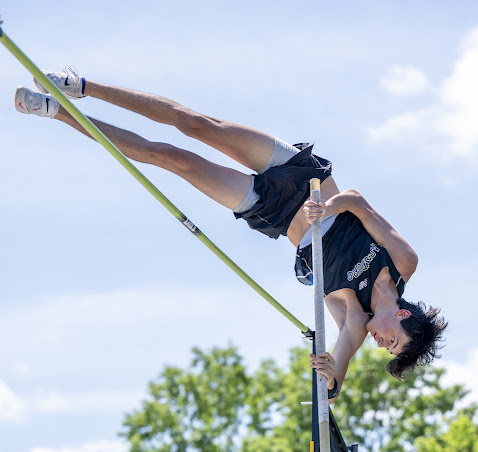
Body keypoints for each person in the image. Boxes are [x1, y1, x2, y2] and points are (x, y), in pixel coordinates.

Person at [14, 70, 447, 399]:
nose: (381, 341)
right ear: (405, 316)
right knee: (196, 124)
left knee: (170, 158)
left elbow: (343, 354)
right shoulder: (403, 262)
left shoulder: (355, 316)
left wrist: (335, 378)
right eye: (393, 341)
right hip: (299, 177)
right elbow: (356, 200)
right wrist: (327, 208)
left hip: (273, 210)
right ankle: (80, 85)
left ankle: (57, 112)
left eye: (386, 349)